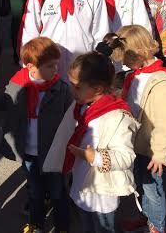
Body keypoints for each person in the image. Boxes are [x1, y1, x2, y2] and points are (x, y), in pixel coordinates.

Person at [43, 41, 139, 233]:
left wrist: (94, 157)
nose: (72, 91)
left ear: (97, 89)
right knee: (86, 225)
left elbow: (126, 156)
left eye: (77, 87)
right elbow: (65, 133)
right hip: (82, 184)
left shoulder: (117, 117)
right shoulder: (80, 106)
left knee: (103, 228)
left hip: (103, 192)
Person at [108, 26, 166, 233]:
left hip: (152, 148)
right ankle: (146, 216)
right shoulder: (135, 74)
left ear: (140, 53)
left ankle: (157, 225)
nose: (122, 63)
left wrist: (161, 153)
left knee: (152, 188)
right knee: (141, 184)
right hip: (136, 141)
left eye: (125, 58)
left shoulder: (163, 83)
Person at [0, 37, 72, 233]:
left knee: (57, 192)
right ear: (30, 67)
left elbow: (72, 118)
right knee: (35, 192)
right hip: (29, 152)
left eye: (56, 65)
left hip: (53, 152)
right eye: (50, 66)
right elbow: (4, 103)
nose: (56, 70)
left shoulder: (61, 89)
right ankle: (36, 225)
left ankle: (62, 226)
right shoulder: (18, 85)